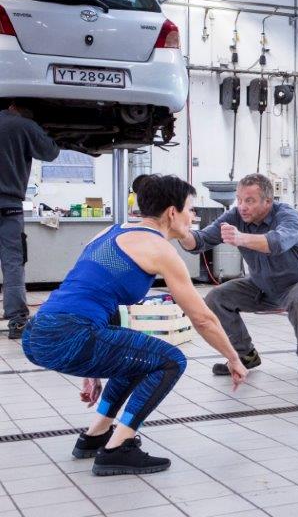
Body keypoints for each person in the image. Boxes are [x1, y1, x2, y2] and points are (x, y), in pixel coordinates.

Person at [21, 175, 247, 475]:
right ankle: (118, 448)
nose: (193, 217)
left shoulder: (109, 232)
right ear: (172, 212)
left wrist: (93, 369)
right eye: (190, 209)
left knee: (138, 358)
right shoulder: (160, 249)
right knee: (171, 361)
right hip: (71, 334)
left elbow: (90, 291)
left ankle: (96, 435)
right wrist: (233, 357)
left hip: (38, 333)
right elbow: (202, 318)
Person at [182, 173, 298, 381]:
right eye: (239, 200)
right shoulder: (235, 216)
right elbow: (201, 240)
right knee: (216, 298)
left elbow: (277, 243)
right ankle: (246, 355)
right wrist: (181, 233)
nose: (242, 207)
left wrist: (240, 238)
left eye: (249, 201)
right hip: (261, 285)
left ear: (268, 201)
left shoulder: (288, 216)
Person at [1, 98, 60, 340]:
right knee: (13, 263)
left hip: (10, 206)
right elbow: (51, 152)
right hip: (10, 207)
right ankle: (17, 322)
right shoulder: (26, 126)